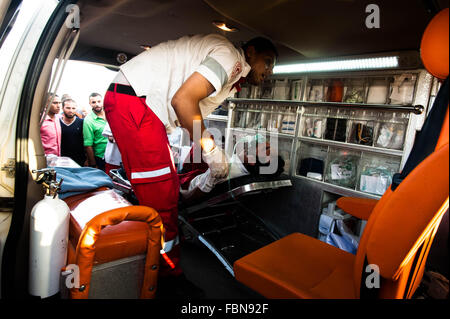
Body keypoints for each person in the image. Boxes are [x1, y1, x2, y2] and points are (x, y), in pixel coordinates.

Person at [103, 33, 277, 297]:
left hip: (141, 105)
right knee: (161, 196)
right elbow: (183, 101)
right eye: (268, 62)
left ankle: (160, 269)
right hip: (136, 101)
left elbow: (184, 109)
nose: (269, 72)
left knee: (167, 190)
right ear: (250, 52)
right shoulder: (231, 57)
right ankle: (167, 279)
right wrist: (210, 150)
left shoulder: (232, 77)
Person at [179, 139, 284, 202]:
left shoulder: (223, 170)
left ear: (252, 161)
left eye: (265, 148)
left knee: (204, 139)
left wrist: (180, 196)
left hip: (186, 183)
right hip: (200, 172)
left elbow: (191, 196)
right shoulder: (239, 166)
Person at [83, 92, 108, 170]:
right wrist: (93, 165)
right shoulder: (88, 120)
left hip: (115, 155)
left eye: (99, 101)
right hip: (101, 157)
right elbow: (88, 145)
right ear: (90, 104)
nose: (97, 104)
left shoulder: (110, 114)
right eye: (93, 102)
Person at [59, 98, 86, 166]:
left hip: (79, 161)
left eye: (73, 108)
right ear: (62, 108)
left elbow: (87, 141)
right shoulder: (57, 123)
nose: (71, 110)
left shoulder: (82, 122)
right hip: (62, 161)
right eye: (68, 108)